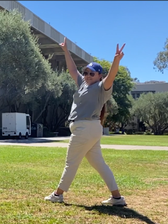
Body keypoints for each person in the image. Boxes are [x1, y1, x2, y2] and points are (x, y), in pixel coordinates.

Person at [44, 37, 127, 206]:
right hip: (89, 129)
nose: (87, 75)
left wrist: (116, 60)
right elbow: (73, 70)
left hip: (85, 128)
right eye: (86, 72)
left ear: (99, 76)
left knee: (71, 163)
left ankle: (58, 194)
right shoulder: (83, 84)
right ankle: (117, 198)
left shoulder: (101, 88)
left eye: (92, 73)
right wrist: (65, 50)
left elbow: (111, 76)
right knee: (99, 164)